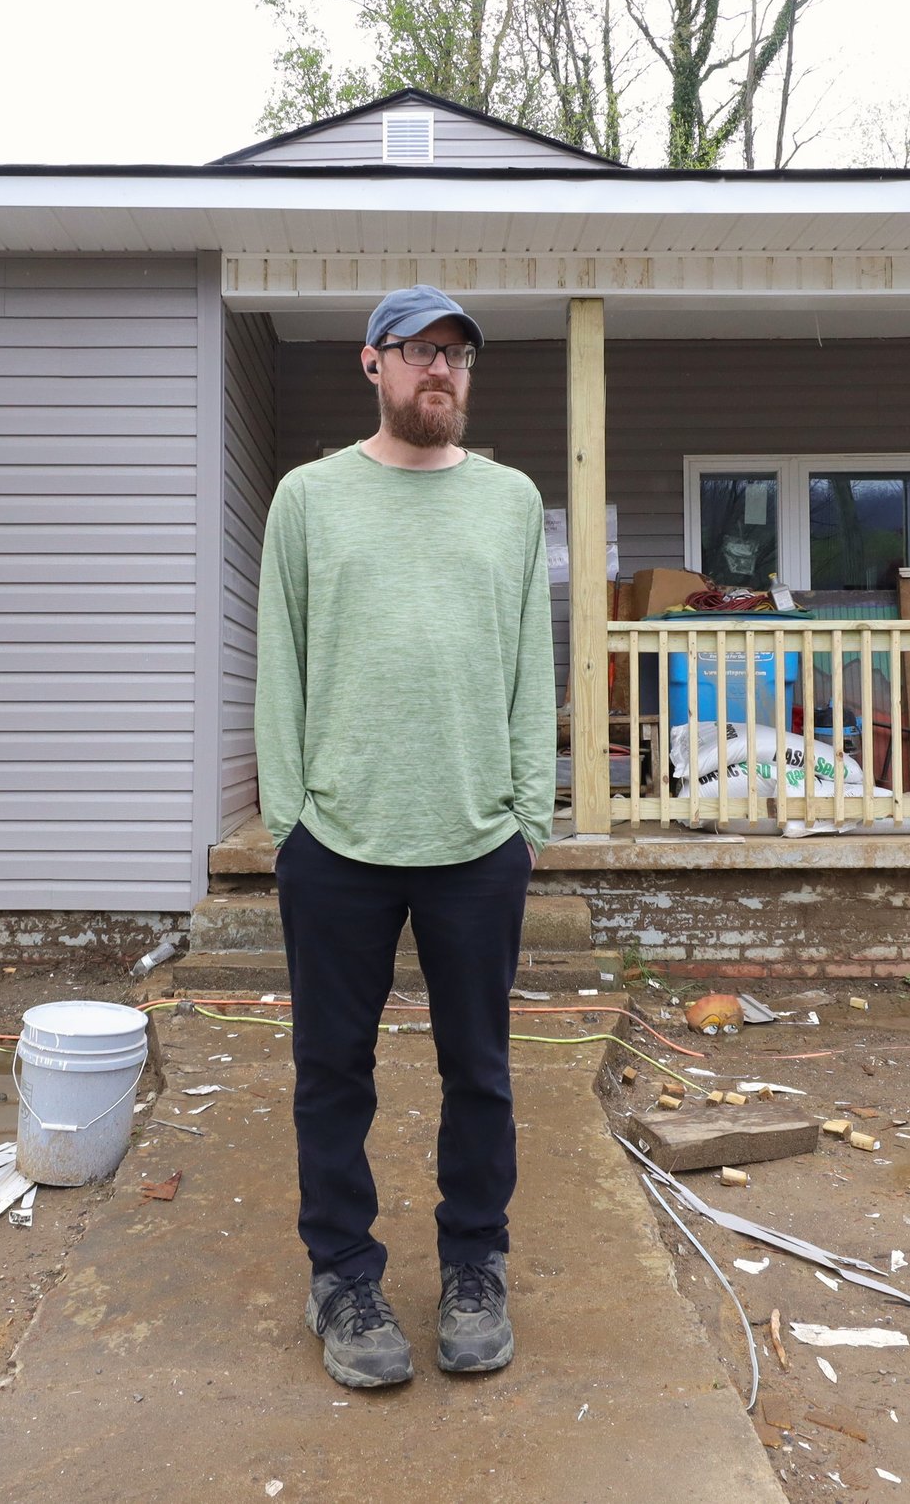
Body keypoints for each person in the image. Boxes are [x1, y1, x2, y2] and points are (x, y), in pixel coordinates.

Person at [254, 283, 555, 1390]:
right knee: (332, 1072)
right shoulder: (308, 497)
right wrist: (288, 819)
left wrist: (529, 813)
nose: (442, 369)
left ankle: (476, 1263)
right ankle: (342, 1272)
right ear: (371, 362)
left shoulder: (511, 502)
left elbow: (530, 661)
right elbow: (279, 657)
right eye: (420, 350)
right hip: (337, 838)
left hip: (477, 838)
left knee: (480, 1070)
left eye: (457, 355)